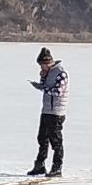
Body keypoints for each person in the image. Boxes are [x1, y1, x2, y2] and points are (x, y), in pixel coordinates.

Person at [26, 48, 68, 177]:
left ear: (47, 62)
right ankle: (40, 165)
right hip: (46, 110)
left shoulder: (61, 73)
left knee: (56, 141)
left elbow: (58, 92)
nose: (41, 67)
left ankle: (57, 167)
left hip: (56, 112)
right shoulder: (48, 72)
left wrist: (43, 87)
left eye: (42, 65)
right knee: (42, 138)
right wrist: (43, 78)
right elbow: (45, 87)